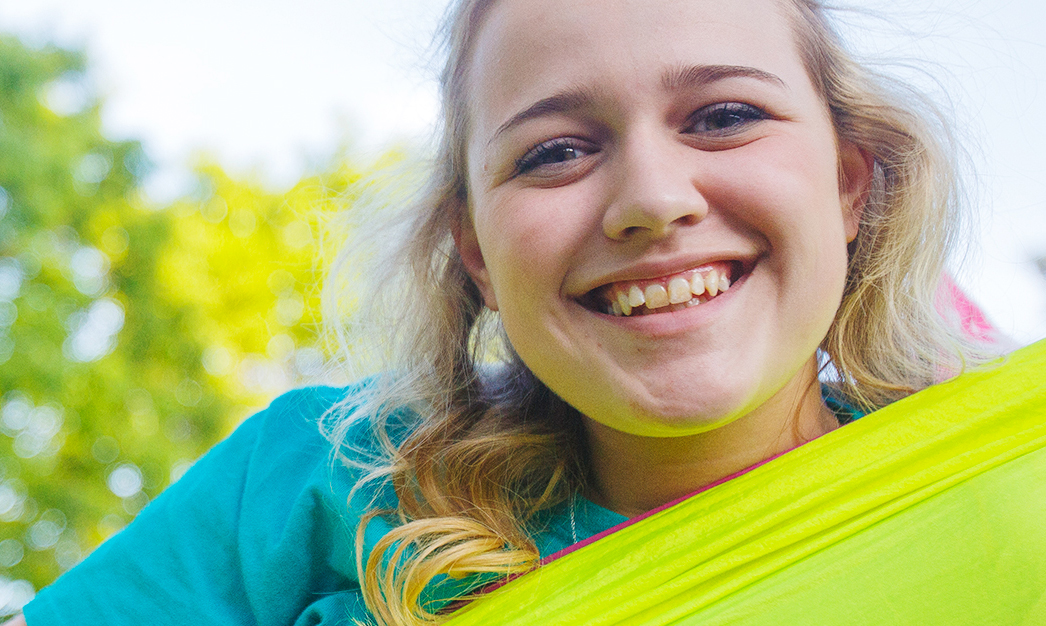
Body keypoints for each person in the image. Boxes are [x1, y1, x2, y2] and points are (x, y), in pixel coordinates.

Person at [12, 0, 1045, 624]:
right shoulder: (321, 480)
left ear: (848, 181)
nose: (650, 198)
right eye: (554, 150)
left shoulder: (1003, 492)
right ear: (476, 250)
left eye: (724, 116)